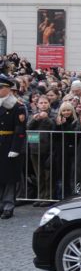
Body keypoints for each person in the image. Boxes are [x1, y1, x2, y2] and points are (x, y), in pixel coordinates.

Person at [0, 76, 26, 219]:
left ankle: (8, 206)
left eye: (1, 87)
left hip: (9, 144)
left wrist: (15, 148)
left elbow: (20, 130)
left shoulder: (17, 106)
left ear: (8, 89)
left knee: (9, 178)